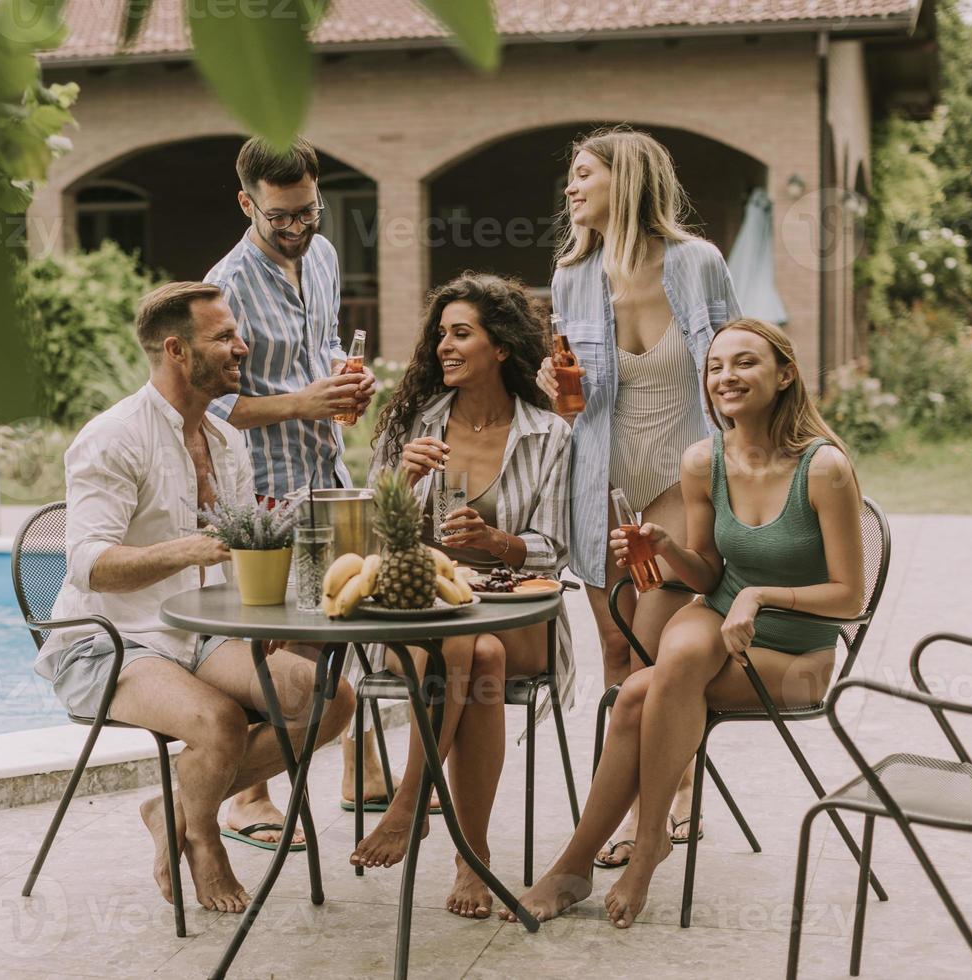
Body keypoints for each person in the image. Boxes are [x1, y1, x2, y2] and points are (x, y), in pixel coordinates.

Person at [506, 317, 864, 928]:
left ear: (785, 375)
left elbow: (849, 596)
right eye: (716, 365)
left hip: (796, 653)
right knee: (669, 668)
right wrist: (666, 546)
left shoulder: (824, 468)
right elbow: (706, 574)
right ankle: (616, 852)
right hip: (717, 619)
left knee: (635, 699)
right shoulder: (704, 461)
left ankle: (620, 857)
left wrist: (758, 596)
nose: (726, 376)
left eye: (745, 362)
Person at [35, 281, 356, 914]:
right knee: (220, 723)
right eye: (225, 338)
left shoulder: (226, 438)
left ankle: (175, 807)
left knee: (327, 698)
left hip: (200, 634)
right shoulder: (112, 438)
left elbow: (241, 548)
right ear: (178, 350)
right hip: (109, 643)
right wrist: (188, 549)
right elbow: (88, 564)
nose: (242, 347)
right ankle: (204, 838)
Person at [536, 125, 742, 866]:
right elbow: (572, 403)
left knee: (662, 645)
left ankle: (670, 802)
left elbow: (734, 370)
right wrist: (552, 393)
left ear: (626, 183)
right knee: (619, 650)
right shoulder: (571, 277)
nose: (571, 188)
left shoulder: (696, 264)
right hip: (598, 482)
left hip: (681, 479)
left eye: (584, 174)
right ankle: (635, 806)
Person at [351, 273, 574, 919]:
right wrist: (400, 480)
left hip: (515, 613)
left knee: (479, 644)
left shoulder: (547, 434)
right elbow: (367, 538)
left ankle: (408, 806)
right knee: (477, 655)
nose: (444, 345)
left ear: (500, 346)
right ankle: (469, 860)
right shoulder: (415, 425)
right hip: (425, 617)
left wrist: (498, 541)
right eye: (440, 334)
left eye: (461, 333)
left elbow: (555, 549)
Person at [205, 136, 387, 845]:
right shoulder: (224, 287)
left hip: (328, 474)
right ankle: (249, 798)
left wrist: (350, 383)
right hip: (265, 492)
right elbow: (214, 404)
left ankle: (354, 769)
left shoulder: (326, 254)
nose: (295, 227)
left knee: (338, 631)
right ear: (247, 202)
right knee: (273, 649)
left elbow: (323, 351)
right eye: (279, 215)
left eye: (306, 210)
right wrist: (300, 404)